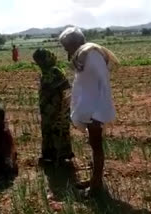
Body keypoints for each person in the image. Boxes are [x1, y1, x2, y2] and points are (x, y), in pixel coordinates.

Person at [59, 27, 119, 196]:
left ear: (75, 43)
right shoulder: (85, 55)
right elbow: (86, 84)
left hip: (95, 111)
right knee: (93, 146)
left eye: (67, 47)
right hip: (91, 110)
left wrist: (98, 113)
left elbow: (102, 85)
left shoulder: (91, 55)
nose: (67, 52)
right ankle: (94, 180)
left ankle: (96, 185)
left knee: (97, 147)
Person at [33, 48, 74, 163]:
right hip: (46, 108)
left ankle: (61, 156)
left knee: (57, 131)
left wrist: (60, 102)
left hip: (57, 107)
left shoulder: (55, 71)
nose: (39, 63)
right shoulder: (44, 72)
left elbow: (65, 87)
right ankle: (48, 155)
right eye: (37, 61)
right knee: (47, 131)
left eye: (40, 60)